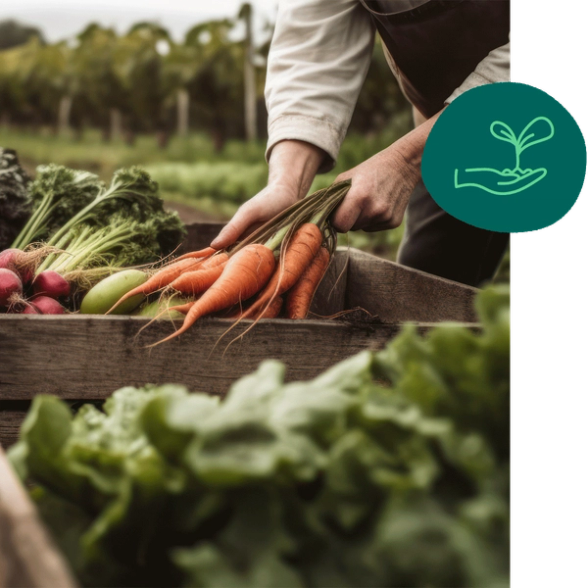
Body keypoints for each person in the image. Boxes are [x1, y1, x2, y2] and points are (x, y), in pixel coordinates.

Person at [211, 0, 513, 287]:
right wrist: (287, 183)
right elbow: (315, 43)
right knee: (430, 279)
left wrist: (405, 162)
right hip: (442, 132)